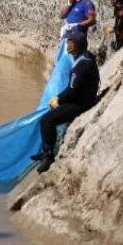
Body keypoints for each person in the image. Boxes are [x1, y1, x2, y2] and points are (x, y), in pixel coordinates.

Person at [32, 31, 99, 173]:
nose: (67, 46)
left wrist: (59, 99)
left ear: (77, 45)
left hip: (81, 103)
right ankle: (46, 149)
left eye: (70, 43)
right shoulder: (86, 57)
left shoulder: (81, 65)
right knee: (50, 116)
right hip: (83, 97)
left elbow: (72, 90)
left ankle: (48, 156)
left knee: (47, 120)